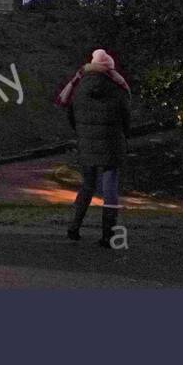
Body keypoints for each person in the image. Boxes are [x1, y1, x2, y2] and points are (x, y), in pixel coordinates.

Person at [65, 49, 131, 246]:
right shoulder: (117, 88)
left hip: (86, 144)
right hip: (112, 145)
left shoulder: (79, 88)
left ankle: (73, 227)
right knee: (110, 189)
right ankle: (107, 235)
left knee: (87, 185)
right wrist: (123, 135)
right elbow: (125, 117)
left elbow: (72, 116)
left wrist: (83, 134)